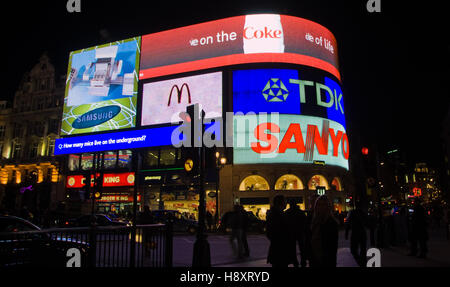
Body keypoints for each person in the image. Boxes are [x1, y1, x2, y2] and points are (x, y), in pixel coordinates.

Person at [310, 195, 339, 267]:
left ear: (328, 207)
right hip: (314, 258)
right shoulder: (314, 221)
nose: (321, 207)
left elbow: (332, 247)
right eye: (319, 205)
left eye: (323, 205)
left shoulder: (331, 223)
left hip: (326, 260)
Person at [266, 195, 290, 267]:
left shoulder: (275, 213)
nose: (286, 203)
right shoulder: (277, 214)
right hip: (280, 249)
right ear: (281, 202)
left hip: (278, 248)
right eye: (285, 201)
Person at [284, 198, 307, 267]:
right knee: (302, 249)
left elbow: (285, 224)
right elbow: (305, 223)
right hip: (300, 232)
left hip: (291, 233)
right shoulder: (300, 212)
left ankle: (295, 262)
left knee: (293, 249)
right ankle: (303, 262)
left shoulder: (287, 212)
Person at [345, 201, 368, 266]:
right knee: (363, 250)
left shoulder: (352, 212)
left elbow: (347, 223)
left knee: (354, 250)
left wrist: (346, 233)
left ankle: (357, 261)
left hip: (355, 233)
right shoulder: (363, 213)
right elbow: (367, 222)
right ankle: (362, 262)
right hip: (362, 233)